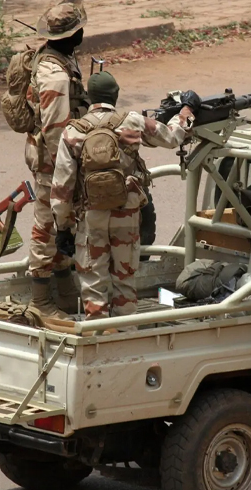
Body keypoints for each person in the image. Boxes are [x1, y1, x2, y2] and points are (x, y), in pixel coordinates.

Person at [51, 71, 200, 323]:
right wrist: (187, 110)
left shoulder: (72, 132)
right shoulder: (132, 121)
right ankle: (125, 334)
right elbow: (173, 135)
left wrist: (64, 227)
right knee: (124, 281)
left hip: (91, 218)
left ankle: (98, 335)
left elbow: (62, 188)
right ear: (116, 95)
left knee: (94, 284)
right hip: (126, 215)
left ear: (89, 98)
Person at [25, 0, 90, 320]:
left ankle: (65, 293)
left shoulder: (63, 57)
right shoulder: (54, 76)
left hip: (61, 158)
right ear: (69, 36)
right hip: (55, 161)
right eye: (79, 30)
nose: (83, 35)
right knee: (47, 227)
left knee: (66, 224)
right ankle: (40, 301)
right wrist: (68, 168)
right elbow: (54, 131)